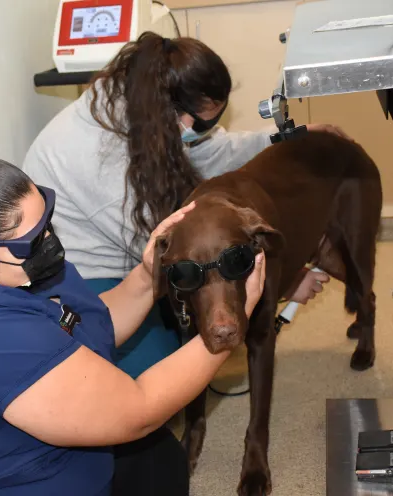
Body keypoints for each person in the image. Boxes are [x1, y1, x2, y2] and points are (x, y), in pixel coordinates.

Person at [0, 153, 266, 495]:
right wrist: (228, 327)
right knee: (149, 434)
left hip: (68, 456)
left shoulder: (18, 273)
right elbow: (137, 409)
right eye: (32, 242)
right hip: (15, 481)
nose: (49, 241)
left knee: (160, 456)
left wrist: (147, 275)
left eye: (47, 220)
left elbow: (92, 324)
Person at [23, 32, 335, 379]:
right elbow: (168, 254)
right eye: (199, 123)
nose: (202, 131)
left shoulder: (146, 111)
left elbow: (211, 150)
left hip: (130, 251)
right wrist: (285, 281)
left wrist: (283, 136)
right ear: (172, 111)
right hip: (86, 275)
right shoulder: (95, 155)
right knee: (164, 373)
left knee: (200, 330)